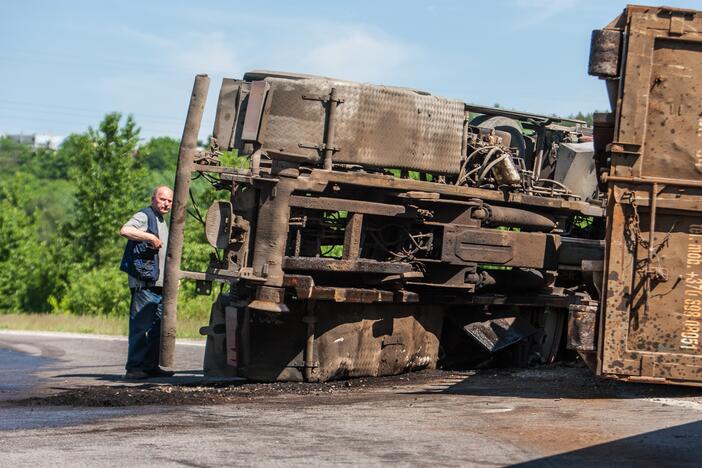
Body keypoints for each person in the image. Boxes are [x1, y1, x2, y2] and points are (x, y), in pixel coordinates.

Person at [119, 185, 175, 380]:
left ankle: (150, 366)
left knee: (157, 330)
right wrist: (150, 236)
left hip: (159, 286)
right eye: (162, 199)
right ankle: (134, 368)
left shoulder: (162, 221)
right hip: (144, 286)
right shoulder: (145, 216)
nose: (166, 203)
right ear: (153, 199)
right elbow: (125, 230)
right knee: (140, 328)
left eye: (169, 200)